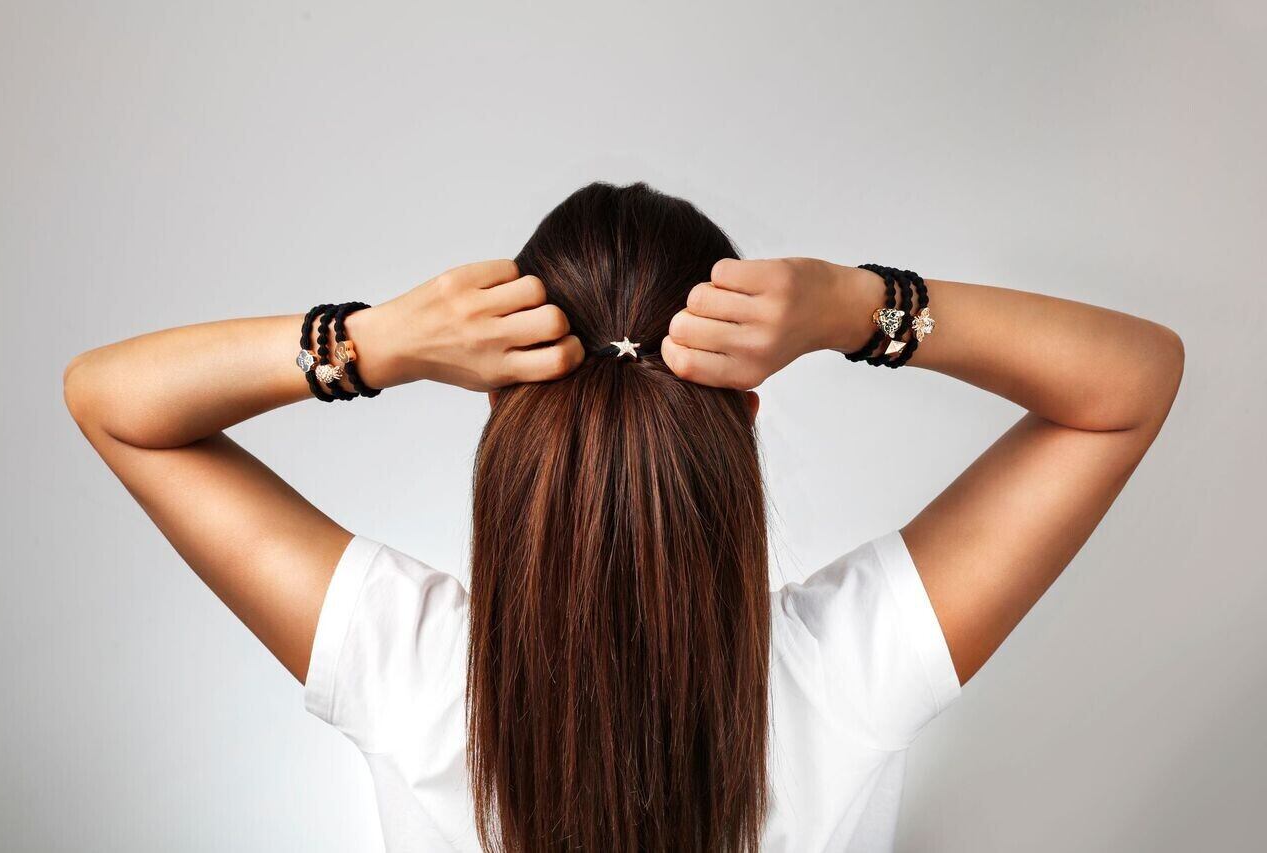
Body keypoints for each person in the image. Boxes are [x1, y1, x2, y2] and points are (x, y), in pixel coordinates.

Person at [63, 182, 1184, 852]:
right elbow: (1129, 385)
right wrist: (860, 307)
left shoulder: (403, 665)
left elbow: (111, 401)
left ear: (499, 406)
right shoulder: (846, 669)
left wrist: (373, 343)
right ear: (745, 412)